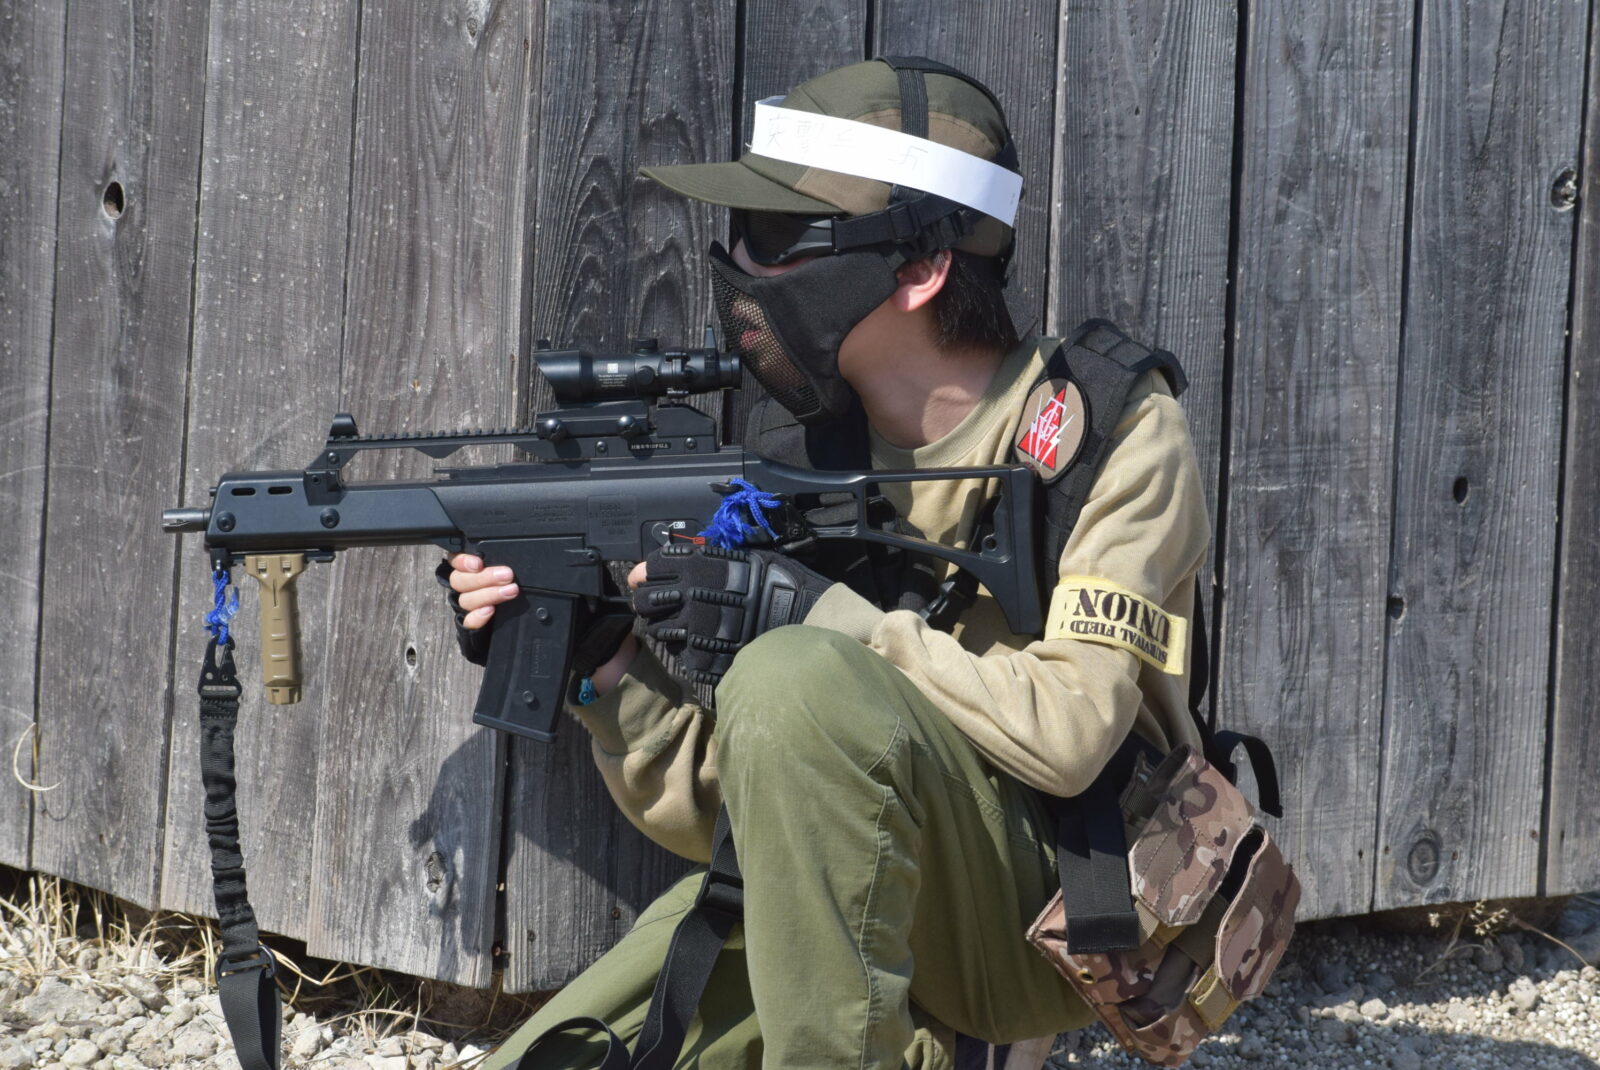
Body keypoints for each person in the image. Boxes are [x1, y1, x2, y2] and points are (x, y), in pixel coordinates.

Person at [446, 57, 1210, 1070]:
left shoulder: (1105, 431)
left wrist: (811, 618)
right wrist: (608, 671)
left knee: (795, 670)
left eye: (773, 238)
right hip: (844, 910)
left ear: (917, 268)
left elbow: (1071, 735)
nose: (737, 269)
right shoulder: (800, 453)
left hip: (1053, 919)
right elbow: (754, 801)